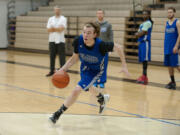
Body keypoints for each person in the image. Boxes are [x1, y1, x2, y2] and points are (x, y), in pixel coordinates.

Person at [49, 21, 130, 124]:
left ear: (95, 34)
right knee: (89, 87)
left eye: (89, 33)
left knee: (77, 89)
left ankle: (57, 114)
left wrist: (124, 66)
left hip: (97, 71)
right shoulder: (78, 41)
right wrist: (62, 69)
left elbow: (119, 47)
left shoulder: (102, 45)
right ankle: (102, 98)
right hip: (85, 67)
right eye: (84, 32)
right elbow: (74, 58)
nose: (85, 35)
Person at [94, 9, 113, 88]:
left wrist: (110, 48)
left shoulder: (108, 25)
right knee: (95, 65)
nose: (99, 15)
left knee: (104, 66)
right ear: (96, 14)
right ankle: (95, 81)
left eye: (101, 13)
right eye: (98, 13)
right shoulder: (94, 24)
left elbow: (110, 37)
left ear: (103, 14)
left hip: (104, 48)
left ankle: (102, 82)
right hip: (95, 48)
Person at [46, 6, 67, 77]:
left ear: (60, 11)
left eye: (58, 10)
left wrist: (53, 29)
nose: (57, 11)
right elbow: (48, 30)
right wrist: (57, 28)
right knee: (52, 56)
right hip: (52, 40)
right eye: (56, 10)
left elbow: (61, 29)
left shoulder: (63, 19)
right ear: (54, 11)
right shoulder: (50, 19)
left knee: (62, 57)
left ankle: (63, 72)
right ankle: (52, 71)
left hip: (60, 40)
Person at [135, 10, 153, 85]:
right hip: (142, 43)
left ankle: (145, 77)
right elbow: (140, 33)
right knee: (143, 60)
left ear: (148, 15)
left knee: (145, 60)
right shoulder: (143, 23)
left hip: (145, 43)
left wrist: (137, 34)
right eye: (143, 14)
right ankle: (143, 75)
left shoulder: (148, 23)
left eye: (146, 14)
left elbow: (141, 33)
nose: (144, 15)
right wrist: (138, 33)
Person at [164, 7, 180, 90]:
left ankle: (173, 82)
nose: (169, 14)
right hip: (167, 47)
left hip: (174, 47)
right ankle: (173, 82)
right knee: (169, 65)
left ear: (174, 13)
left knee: (176, 65)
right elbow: (166, 36)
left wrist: (177, 46)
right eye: (168, 12)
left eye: (171, 12)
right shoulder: (166, 23)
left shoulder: (177, 22)